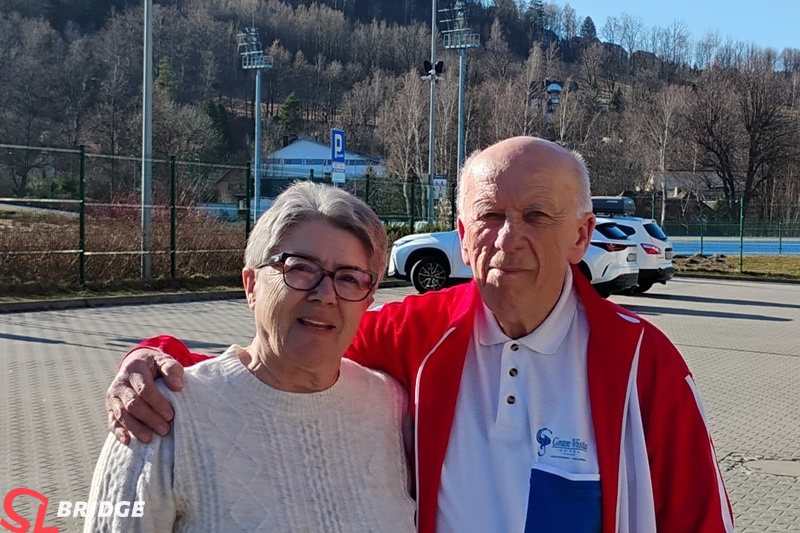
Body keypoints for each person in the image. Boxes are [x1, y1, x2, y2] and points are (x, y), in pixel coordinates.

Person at [107, 137, 734, 532]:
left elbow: (699, 517)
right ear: (461, 235)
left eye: (537, 215)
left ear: (580, 235)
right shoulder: (421, 333)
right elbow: (291, 353)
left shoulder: (641, 363)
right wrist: (157, 358)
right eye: (489, 215)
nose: (508, 237)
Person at [87, 182, 416, 532]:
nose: (325, 294)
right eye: (300, 267)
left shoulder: (390, 407)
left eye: (349, 278)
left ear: (368, 299)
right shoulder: (159, 417)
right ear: (251, 285)